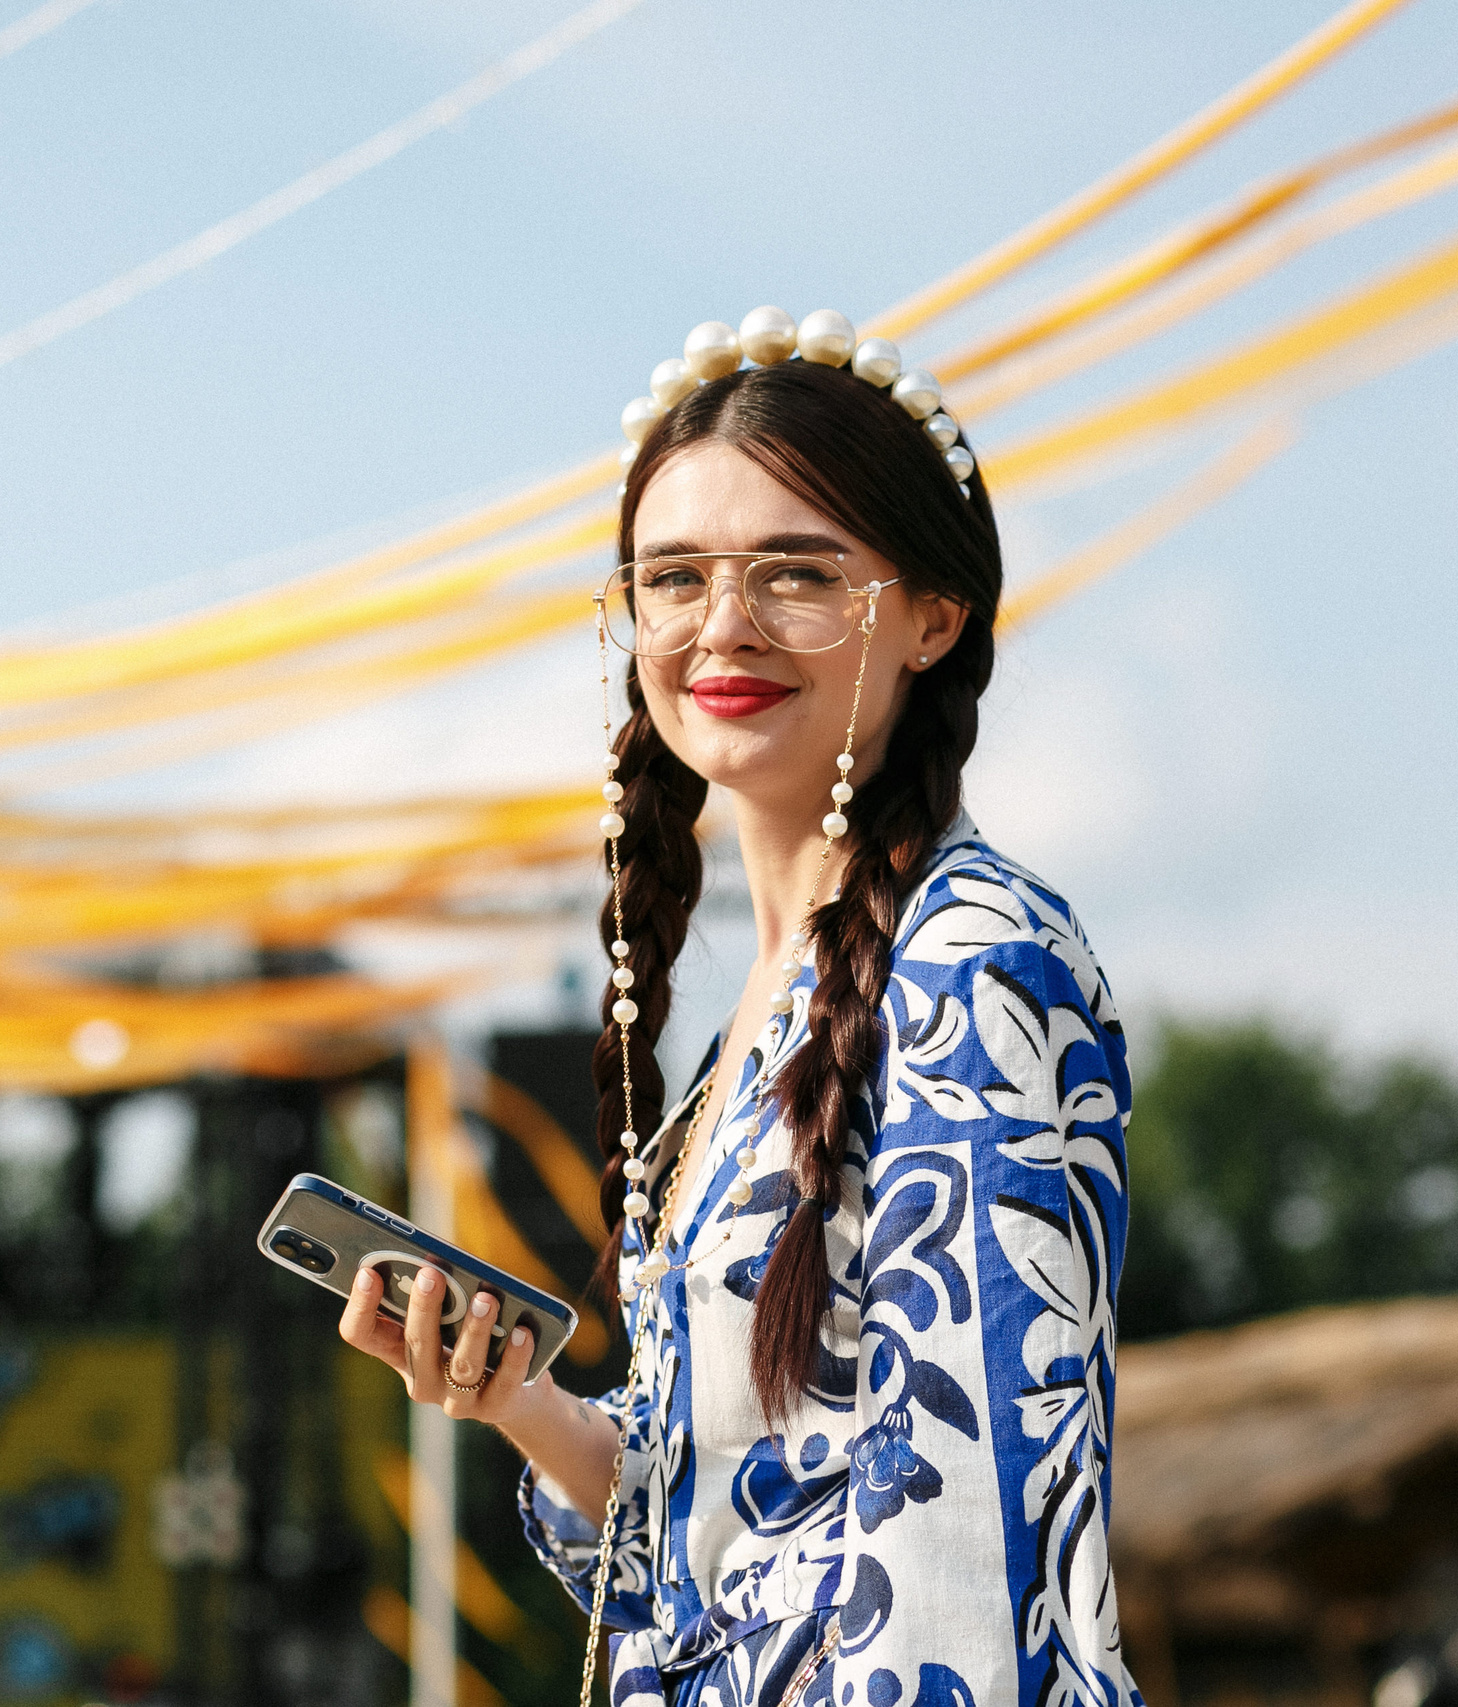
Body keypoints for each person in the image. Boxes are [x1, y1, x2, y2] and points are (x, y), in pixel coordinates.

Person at [340, 307, 1136, 1707]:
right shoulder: (773, 1002)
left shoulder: (972, 961)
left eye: (797, 574)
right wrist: (521, 1401)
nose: (722, 625)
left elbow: (968, 1534)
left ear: (933, 618)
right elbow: (732, 1537)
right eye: (674, 578)